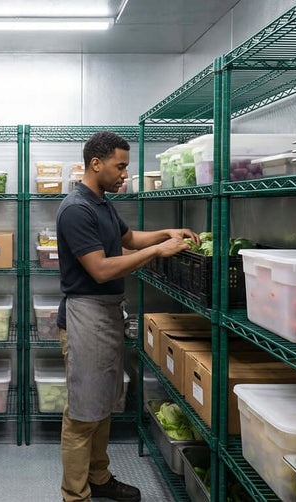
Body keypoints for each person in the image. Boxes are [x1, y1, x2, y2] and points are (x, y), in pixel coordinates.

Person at [56, 131, 199, 502]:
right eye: (120, 166)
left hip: (106, 314)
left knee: (102, 405)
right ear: (96, 164)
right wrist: (159, 252)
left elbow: (130, 238)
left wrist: (164, 234)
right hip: (85, 316)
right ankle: (75, 494)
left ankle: (99, 478)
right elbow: (101, 269)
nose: (124, 174)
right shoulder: (76, 209)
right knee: (83, 413)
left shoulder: (101, 203)